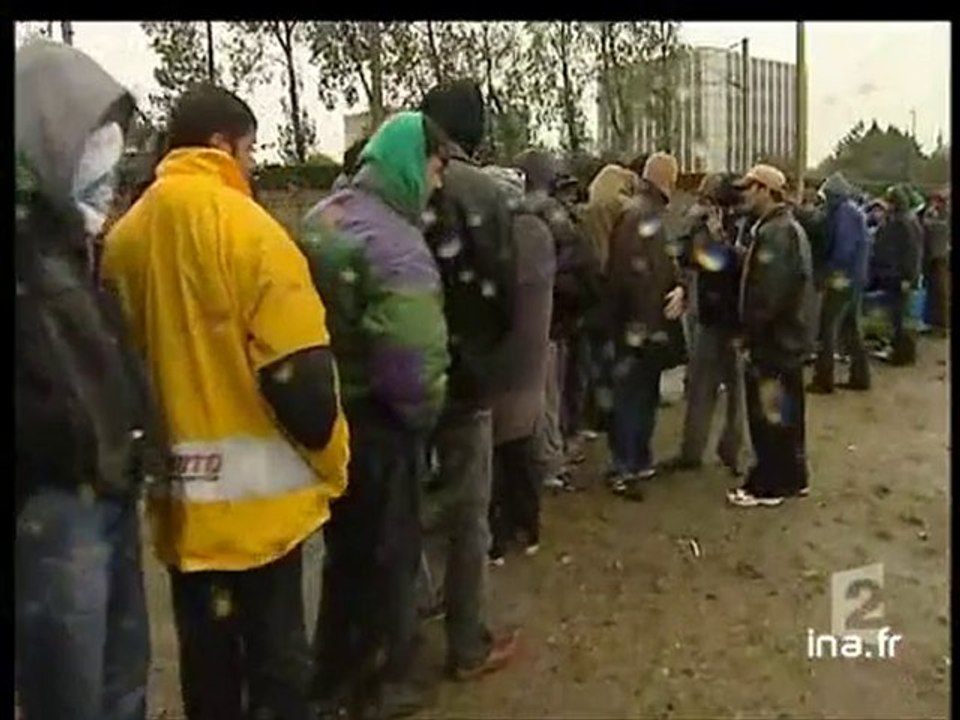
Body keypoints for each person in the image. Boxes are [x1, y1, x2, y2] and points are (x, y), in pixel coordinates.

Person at [103, 85, 350, 720]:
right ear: (222, 145)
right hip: (263, 514)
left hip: (182, 508)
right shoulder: (253, 232)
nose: (254, 164)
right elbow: (304, 385)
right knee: (277, 668)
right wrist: (334, 465)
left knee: (208, 671)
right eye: (251, 150)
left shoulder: (124, 242)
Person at [15, 40, 163, 720]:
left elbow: (102, 356)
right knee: (69, 699)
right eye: (92, 134)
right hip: (52, 508)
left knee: (123, 684)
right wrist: (58, 444)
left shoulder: (74, 245)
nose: (109, 156)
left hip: (107, 490)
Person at [300, 111, 450, 719]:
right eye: (436, 168)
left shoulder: (320, 219)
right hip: (381, 421)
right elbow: (411, 364)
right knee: (390, 554)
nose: (439, 182)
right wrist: (426, 414)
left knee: (344, 553)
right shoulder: (397, 247)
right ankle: (385, 681)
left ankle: (331, 673)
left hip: (326, 411)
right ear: (412, 164)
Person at [419, 79, 521, 683]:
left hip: (402, 372)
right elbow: (503, 292)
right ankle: (468, 641)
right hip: (465, 378)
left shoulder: (395, 182)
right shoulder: (481, 191)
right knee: (467, 513)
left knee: (409, 499)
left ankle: (413, 609)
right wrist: (485, 355)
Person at [515, 149, 603, 489]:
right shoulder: (556, 216)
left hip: (551, 318)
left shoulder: (539, 215)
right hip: (560, 318)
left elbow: (570, 262)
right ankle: (553, 457)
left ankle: (549, 462)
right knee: (552, 393)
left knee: (547, 396)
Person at [482, 165, 557, 563]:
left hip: (502, 354)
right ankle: (529, 527)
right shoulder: (539, 232)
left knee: (496, 451)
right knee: (523, 445)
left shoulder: (498, 236)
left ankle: (498, 536)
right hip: (532, 351)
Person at [728, 164, 813, 508]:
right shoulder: (785, 227)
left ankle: (768, 485)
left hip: (774, 342)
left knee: (768, 416)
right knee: (787, 415)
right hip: (787, 340)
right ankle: (793, 477)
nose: (744, 195)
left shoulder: (776, 232)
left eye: (749, 188)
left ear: (766, 190)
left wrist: (751, 334)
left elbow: (768, 294)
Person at [604, 152, 686, 498]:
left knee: (641, 395)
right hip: (638, 326)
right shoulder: (641, 215)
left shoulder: (644, 214)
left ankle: (636, 460)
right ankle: (626, 466)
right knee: (632, 396)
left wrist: (679, 288)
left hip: (643, 324)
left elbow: (661, 269)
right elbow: (627, 277)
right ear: (668, 181)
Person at [661, 173, 746, 476]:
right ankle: (701, 451)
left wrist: (717, 240)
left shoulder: (743, 225)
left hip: (729, 317)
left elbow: (733, 264)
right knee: (709, 387)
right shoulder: (708, 225)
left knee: (729, 390)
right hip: (718, 315)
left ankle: (724, 451)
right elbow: (690, 257)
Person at [807, 172, 871, 393]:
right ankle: (860, 377)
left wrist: (828, 272)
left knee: (827, 327)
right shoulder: (853, 211)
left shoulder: (844, 214)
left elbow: (844, 248)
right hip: (855, 277)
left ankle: (824, 379)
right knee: (851, 329)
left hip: (842, 278)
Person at [872, 184, 923, 366]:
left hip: (899, 276)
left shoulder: (904, 222)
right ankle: (901, 351)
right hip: (894, 275)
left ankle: (902, 355)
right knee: (898, 317)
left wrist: (908, 277)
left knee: (901, 317)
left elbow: (912, 252)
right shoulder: (901, 220)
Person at [921, 192, 950, 335]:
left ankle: (942, 325)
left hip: (939, 257)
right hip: (932, 257)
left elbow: (938, 229)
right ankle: (932, 323)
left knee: (940, 292)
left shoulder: (944, 216)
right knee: (932, 293)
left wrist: (928, 220)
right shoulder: (935, 214)